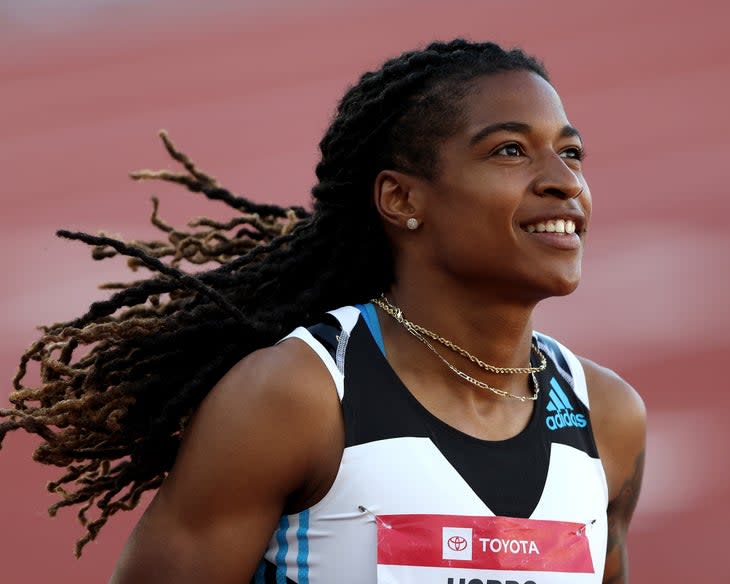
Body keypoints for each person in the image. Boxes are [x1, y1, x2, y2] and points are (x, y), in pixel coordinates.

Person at [0, 39, 645, 583]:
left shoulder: (609, 419)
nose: (564, 179)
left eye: (572, 152)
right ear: (400, 199)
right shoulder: (297, 398)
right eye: (509, 150)